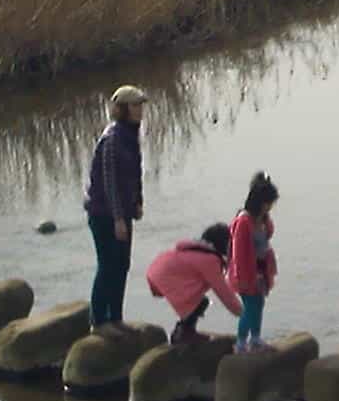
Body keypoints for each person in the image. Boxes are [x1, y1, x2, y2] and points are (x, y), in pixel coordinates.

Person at [84, 85, 148, 329]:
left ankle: (116, 318)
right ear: (123, 109)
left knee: (122, 264)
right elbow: (109, 181)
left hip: (121, 212)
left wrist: (138, 201)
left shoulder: (131, 135)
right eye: (135, 105)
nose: (140, 110)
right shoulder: (112, 138)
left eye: (141, 105)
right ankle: (99, 322)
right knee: (108, 265)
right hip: (103, 214)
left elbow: (135, 172)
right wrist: (118, 219)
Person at [147, 222, 241, 347]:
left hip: (157, 272)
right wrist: (243, 314)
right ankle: (184, 333)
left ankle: (183, 330)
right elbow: (223, 292)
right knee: (200, 302)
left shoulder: (198, 252)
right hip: (165, 277)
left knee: (198, 300)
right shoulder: (209, 260)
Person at [228, 171, 280, 353]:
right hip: (246, 274)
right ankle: (241, 343)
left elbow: (268, 234)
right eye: (269, 203)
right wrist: (245, 278)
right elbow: (239, 254)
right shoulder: (243, 222)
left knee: (259, 304)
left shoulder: (262, 219)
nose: (271, 207)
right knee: (249, 308)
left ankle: (255, 339)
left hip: (261, 271)